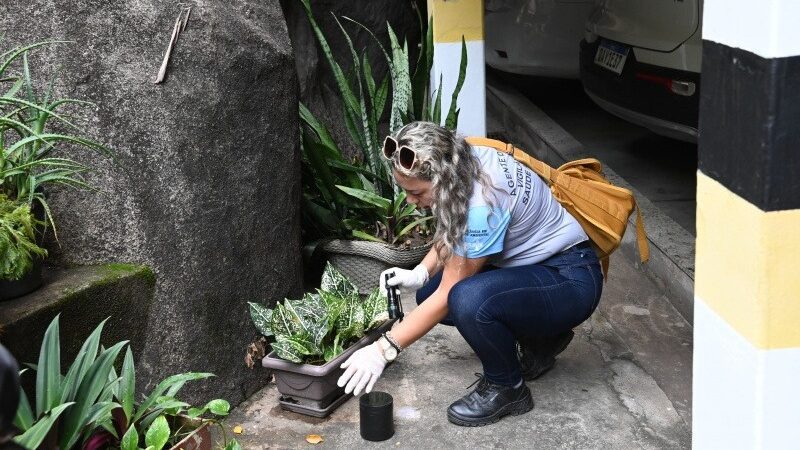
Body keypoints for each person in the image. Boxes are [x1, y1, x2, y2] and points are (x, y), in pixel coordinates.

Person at [337, 121, 603, 427]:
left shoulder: (483, 204)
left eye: (416, 192)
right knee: (428, 294)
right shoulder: (463, 156)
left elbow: (451, 290)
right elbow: (454, 226)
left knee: (465, 300)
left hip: (570, 279)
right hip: (538, 270)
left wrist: (383, 349)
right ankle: (541, 342)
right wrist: (422, 273)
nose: (410, 200)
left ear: (439, 178)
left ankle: (507, 387)